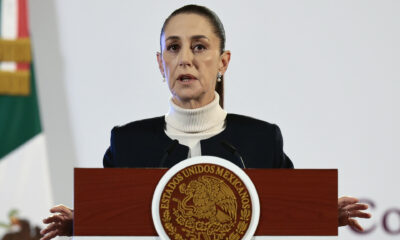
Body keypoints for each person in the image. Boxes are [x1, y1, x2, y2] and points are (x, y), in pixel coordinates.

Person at [39, 4, 371, 240]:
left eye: (200, 47)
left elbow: (287, 210)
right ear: (160, 63)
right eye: (173, 48)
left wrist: (325, 214)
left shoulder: (261, 139)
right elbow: (112, 218)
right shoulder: (127, 142)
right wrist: (80, 224)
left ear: (223, 61)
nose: (186, 59)